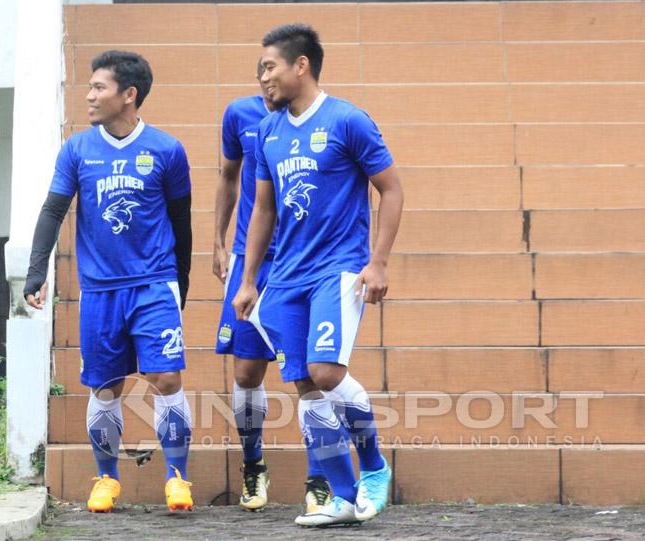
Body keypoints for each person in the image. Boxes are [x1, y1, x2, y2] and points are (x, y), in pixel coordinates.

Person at [232, 23, 404, 527]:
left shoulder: (349, 120)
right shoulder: (267, 131)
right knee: (306, 387)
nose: (262, 77)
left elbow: (391, 190)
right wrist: (248, 281)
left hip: (338, 269)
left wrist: (379, 261)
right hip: (285, 276)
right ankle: (344, 497)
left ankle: (373, 467)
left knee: (328, 372)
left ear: (300, 65)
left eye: (269, 67)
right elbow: (262, 210)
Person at [23, 50, 194, 513]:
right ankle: (107, 478)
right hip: (99, 290)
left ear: (129, 95)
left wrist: (182, 282)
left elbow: (181, 221)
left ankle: (178, 477)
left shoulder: (166, 150)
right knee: (105, 387)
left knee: (167, 376)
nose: (90, 95)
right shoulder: (77, 150)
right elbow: (53, 210)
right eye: (90, 87)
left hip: (154, 283)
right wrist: (37, 271)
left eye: (99, 87)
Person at [213, 60, 277, 511]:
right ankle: (254, 467)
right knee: (246, 371)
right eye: (260, 71)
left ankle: (321, 477)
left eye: (273, 68)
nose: (266, 79)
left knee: (312, 374)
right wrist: (218, 242)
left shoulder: (331, 120)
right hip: (249, 259)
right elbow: (228, 176)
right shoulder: (240, 114)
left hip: (303, 260)